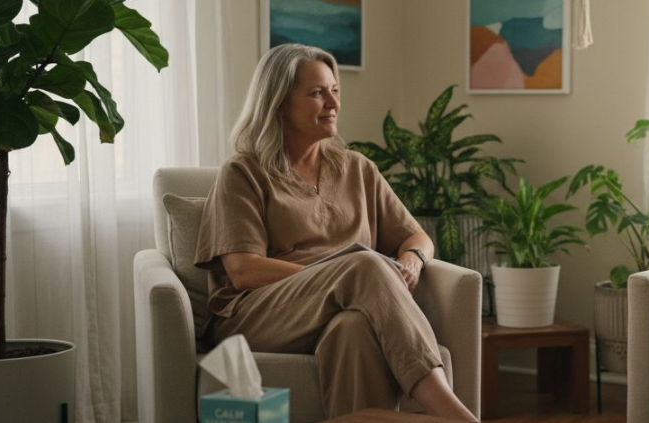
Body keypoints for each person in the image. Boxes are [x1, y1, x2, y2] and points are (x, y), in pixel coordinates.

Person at [194, 44, 477, 421]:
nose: (332, 102)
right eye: (316, 93)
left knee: (354, 326)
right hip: (255, 314)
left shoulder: (357, 169)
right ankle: (458, 416)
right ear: (278, 104)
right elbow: (244, 270)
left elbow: (417, 237)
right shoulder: (243, 172)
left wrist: (411, 260)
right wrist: (339, 278)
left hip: (341, 308)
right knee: (363, 267)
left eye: (334, 90)